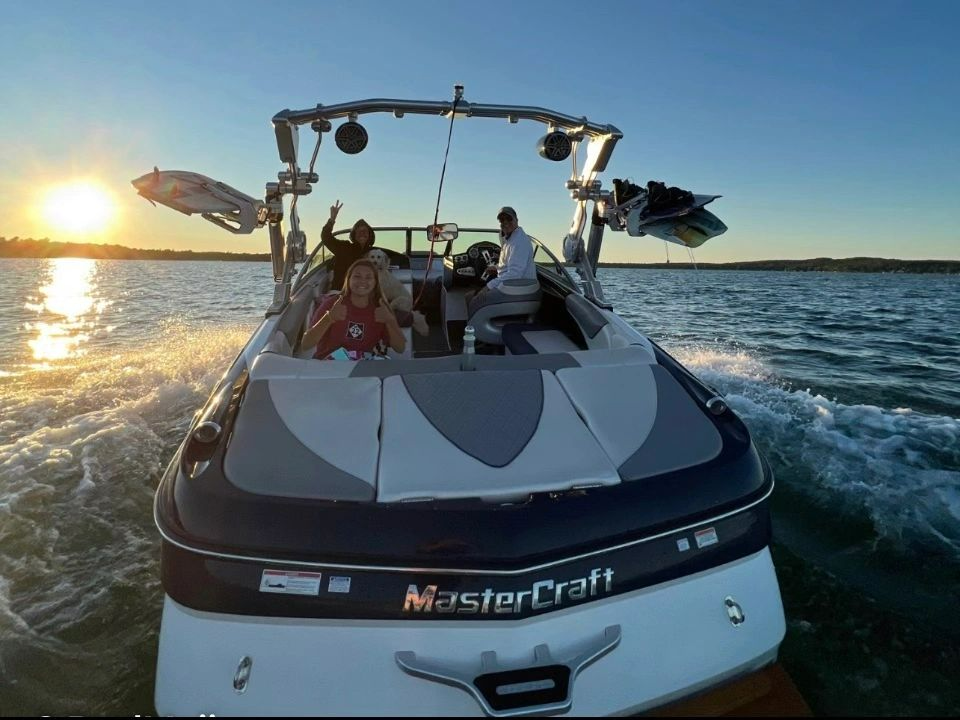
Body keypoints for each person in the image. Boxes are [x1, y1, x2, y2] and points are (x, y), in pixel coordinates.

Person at [302, 259, 406, 360]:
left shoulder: (381, 309)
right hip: (328, 366)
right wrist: (329, 318)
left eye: (368, 277)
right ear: (348, 279)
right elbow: (305, 344)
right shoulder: (332, 304)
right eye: (357, 276)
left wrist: (389, 320)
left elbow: (400, 348)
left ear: (375, 283)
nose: (362, 281)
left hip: (358, 368)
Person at [466, 206, 537, 309]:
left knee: (472, 299)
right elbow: (510, 266)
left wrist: (488, 287)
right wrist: (496, 268)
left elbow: (515, 274)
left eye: (509, 218)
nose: (505, 222)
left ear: (516, 220)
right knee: (472, 294)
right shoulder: (511, 239)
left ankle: (472, 325)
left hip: (518, 291)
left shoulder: (519, 241)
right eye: (502, 220)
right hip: (513, 286)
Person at [321, 200, 376, 288]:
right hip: (341, 293)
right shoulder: (344, 248)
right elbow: (326, 238)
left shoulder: (374, 253)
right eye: (359, 231)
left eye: (365, 231)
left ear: (370, 235)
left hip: (364, 293)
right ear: (354, 235)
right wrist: (332, 220)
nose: (362, 233)